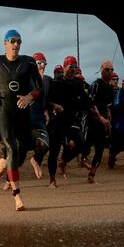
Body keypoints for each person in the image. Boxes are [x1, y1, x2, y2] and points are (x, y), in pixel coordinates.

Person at [0, 30, 42, 211]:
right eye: (12, 41)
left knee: (24, 149)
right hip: (4, 112)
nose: (16, 44)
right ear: (5, 43)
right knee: (11, 147)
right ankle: (17, 195)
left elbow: (40, 88)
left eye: (19, 41)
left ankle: (5, 164)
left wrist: (30, 97)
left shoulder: (28, 62)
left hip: (22, 112)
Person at [45, 55, 88, 188]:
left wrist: (92, 108)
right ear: (64, 67)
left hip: (71, 120)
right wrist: (55, 106)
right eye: (71, 67)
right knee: (54, 150)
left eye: (75, 67)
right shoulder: (56, 82)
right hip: (57, 121)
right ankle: (52, 179)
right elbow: (47, 101)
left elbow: (85, 100)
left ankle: (64, 161)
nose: (73, 69)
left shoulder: (78, 82)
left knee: (82, 144)